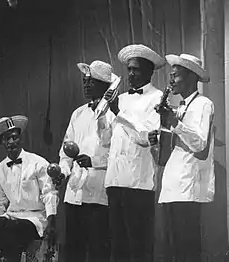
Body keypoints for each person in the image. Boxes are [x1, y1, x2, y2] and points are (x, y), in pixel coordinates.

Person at [149, 54, 214, 262]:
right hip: (172, 187)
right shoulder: (180, 107)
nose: (171, 81)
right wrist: (158, 137)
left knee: (188, 250)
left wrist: (174, 122)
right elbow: (165, 156)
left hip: (189, 188)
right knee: (174, 250)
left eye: (175, 76)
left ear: (191, 77)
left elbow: (200, 145)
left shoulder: (204, 104)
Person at [104, 44, 166, 262]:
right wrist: (105, 112)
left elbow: (145, 137)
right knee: (118, 246)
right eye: (129, 69)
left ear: (149, 72)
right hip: (115, 180)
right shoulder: (120, 98)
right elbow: (108, 139)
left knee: (139, 246)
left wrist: (118, 113)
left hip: (138, 182)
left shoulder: (157, 98)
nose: (130, 74)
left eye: (136, 69)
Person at [58, 60, 116, 262]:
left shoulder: (114, 115)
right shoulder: (78, 113)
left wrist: (94, 160)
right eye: (84, 81)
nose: (86, 85)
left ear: (104, 85)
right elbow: (66, 150)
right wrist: (63, 171)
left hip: (99, 193)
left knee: (98, 248)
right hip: (75, 191)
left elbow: (119, 154)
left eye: (91, 81)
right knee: (73, 248)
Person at [0, 115, 58, 262]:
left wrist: (51, 221)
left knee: (13, 231)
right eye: (6, 139)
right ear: (1, 142)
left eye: (14, 137)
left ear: (20, 138)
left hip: (35, 218)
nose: (11, 142)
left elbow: (49, 193)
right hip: (11, 216)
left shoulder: (38, 163)